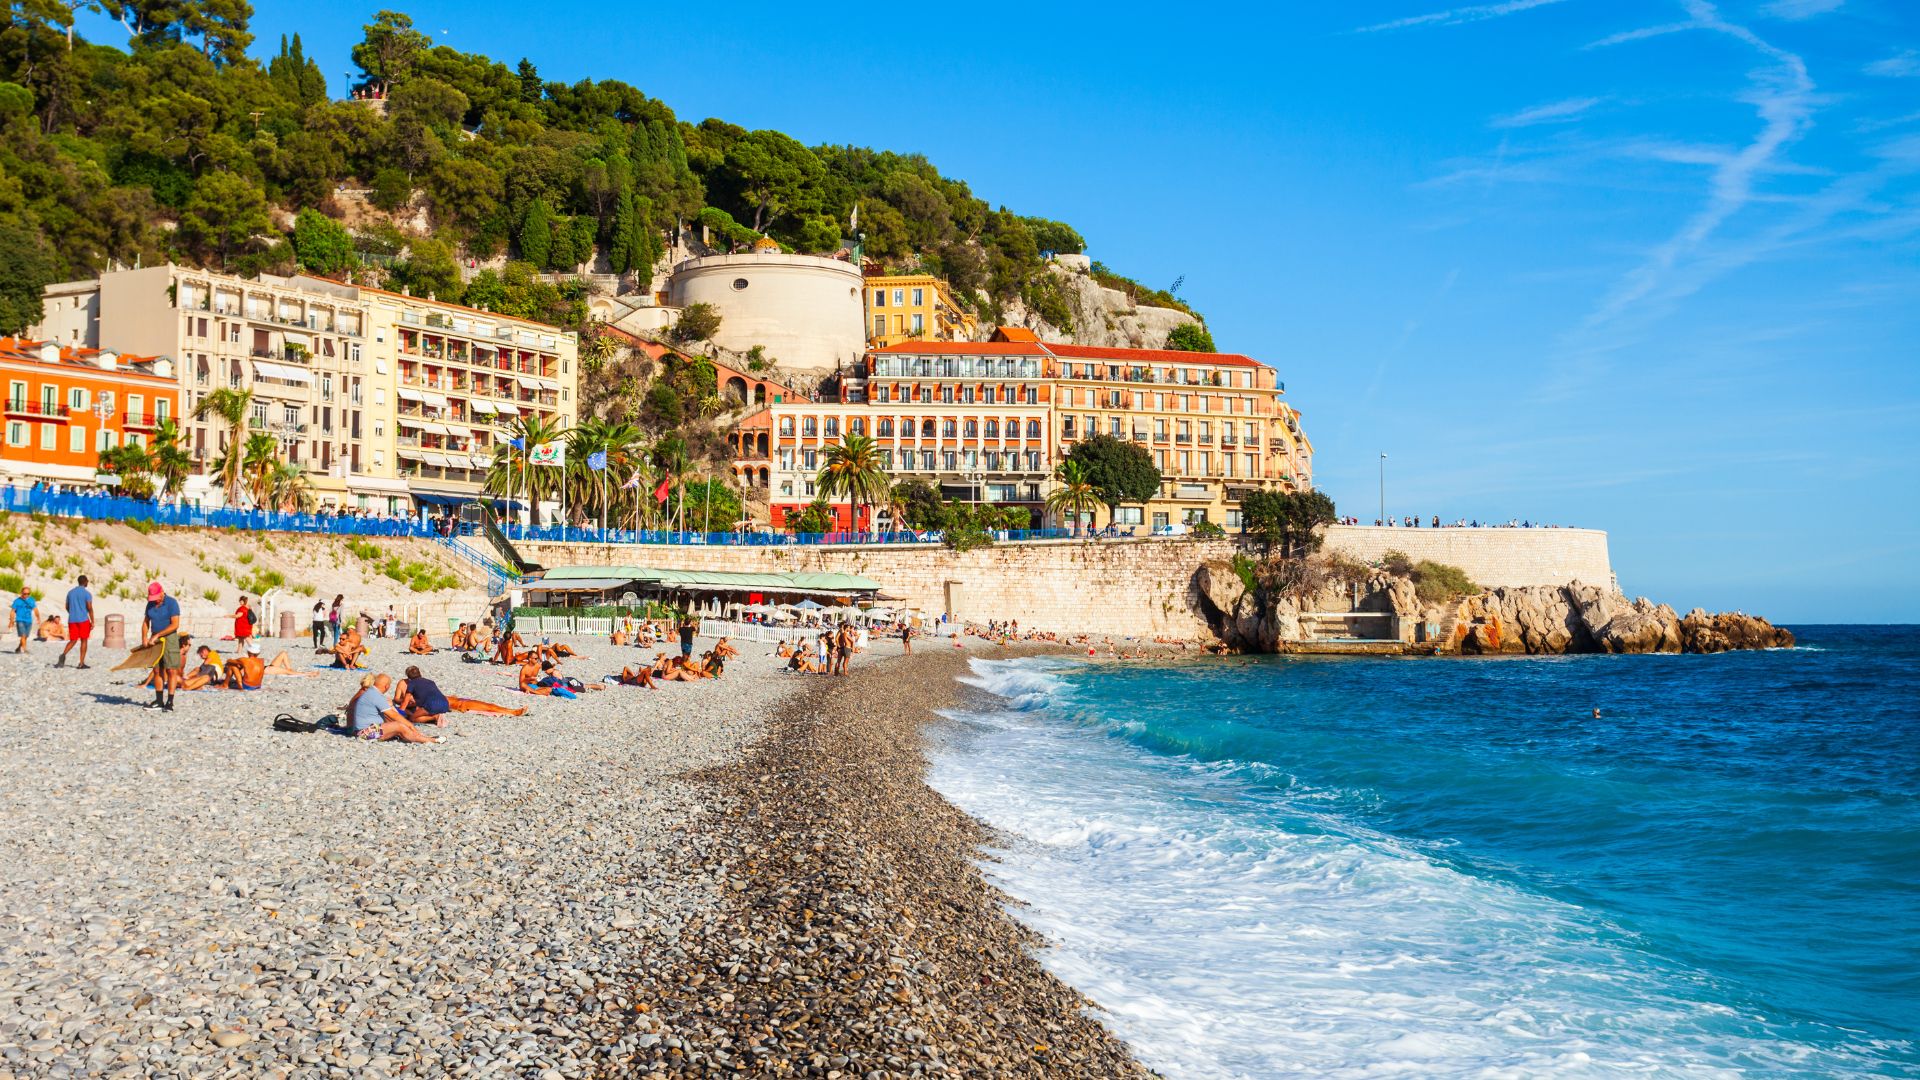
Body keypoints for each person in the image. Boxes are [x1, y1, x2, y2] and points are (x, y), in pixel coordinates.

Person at [397, 664, 525, 719]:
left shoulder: (410, 684)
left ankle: (510, 711)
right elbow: (397, 699)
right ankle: (511, 711)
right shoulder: (405, 683)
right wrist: (407, 703)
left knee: (467, 703)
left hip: (438, 701)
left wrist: (404, 706)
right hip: (435, 702)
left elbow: (401, 703)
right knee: (470, 704)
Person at [346, 673, 438, 743]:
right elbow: (393, 715)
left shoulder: (371, 692)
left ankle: (416, 737)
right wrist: (410, 725)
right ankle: (425, 739)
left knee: (397, 727)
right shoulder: (376, 695)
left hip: (360, 731)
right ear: (387, 686)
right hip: (364, 734)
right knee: (398, 725)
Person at [141, 581, 182, 712]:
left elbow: (175, 624)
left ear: (162, 592)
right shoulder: (150, 604)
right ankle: (159, 701)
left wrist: (158, 635)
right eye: (152, 599)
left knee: (171, 670)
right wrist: (144, 637)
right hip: (155, 639)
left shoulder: (172, 603)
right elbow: (146, 622)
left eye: (156, 598)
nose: (155, 601)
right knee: (157, 670)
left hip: (169, 638)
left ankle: (170, 702)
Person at [11, 587, 36, 654]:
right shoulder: (17, 601)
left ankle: (18, 648)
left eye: (28, 594)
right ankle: (25, 650)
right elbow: (12, 611)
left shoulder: (32, 600)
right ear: (21, 593)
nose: (26, 595)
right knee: (23, 635)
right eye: (25, 593)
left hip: (29, 620)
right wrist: (11, 621)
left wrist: (38, 617)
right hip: (20, 619)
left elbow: (35, 609)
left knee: (25, 636)